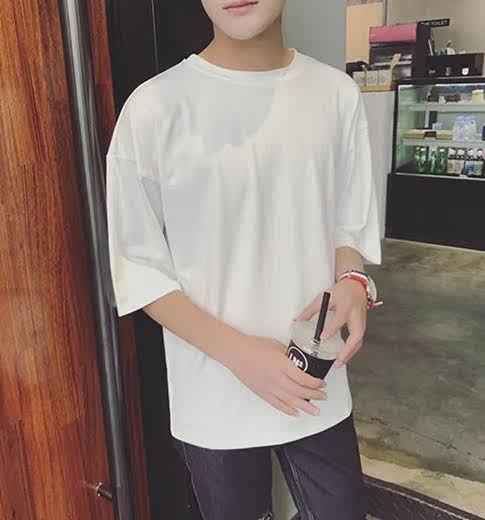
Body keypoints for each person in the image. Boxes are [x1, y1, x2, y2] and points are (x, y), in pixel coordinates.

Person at [106, 0, 382, 518]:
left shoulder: (334, 93)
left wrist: (352, 279)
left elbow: (349, 217)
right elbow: (137, 267)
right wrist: (240, 355)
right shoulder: (154, 107)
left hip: (315, 381)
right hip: (213, 391)